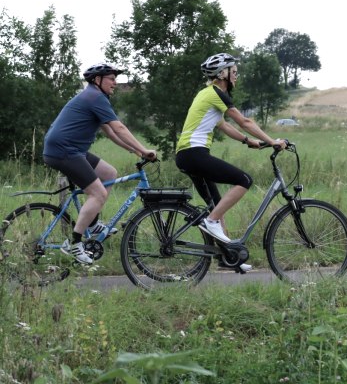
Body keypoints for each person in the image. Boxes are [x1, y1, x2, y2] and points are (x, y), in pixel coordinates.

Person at [175, 53, 286, 272]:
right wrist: (272, 141)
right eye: (234, 72)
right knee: (243, 180)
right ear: (222, 74)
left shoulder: (208, 95)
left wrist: (248, 141)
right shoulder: (216, 93)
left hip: (188, 154)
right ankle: (212, 223)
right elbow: (244, 120)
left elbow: (223, 125)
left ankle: (227, 257)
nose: (236, 76)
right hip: (194, 153)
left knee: (216, 206)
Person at [43, 64, 157, 264]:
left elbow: (111, 133)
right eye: (111, 78)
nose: (115, 83)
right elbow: (119, 128)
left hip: (71, 149)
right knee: (98, 193)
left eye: (115, 78)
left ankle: (93, 223)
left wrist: (138, 151)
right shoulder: (95, 97)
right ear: (97, 80)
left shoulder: (94, 97)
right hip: (63, 151)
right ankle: (75, 243)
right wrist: (144, 148)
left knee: (109, 173)